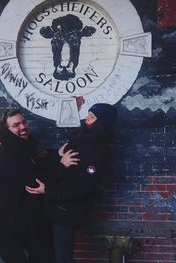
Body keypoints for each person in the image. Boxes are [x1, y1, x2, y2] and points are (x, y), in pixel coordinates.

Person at [0, 108, 79, 263]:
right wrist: (62, 165)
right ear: (7, 129)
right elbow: (35, 183)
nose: (22, 127)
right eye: (16, 125)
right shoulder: (8, 153)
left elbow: (37, 160)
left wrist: (57, 155)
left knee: (44, 254)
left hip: (17, 217)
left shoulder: (22, 146)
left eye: (23, 122)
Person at [26, 103, 117, 263]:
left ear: (101, 122)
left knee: (63, 257)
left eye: (92, 117)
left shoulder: (98, 149)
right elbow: (70, 166)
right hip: (58, 207)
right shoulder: (82, 140)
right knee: (52, 254)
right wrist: (58, 155)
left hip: (69, 210)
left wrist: (48, 190)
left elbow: (84, 187)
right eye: (88, 114)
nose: (87, 119)